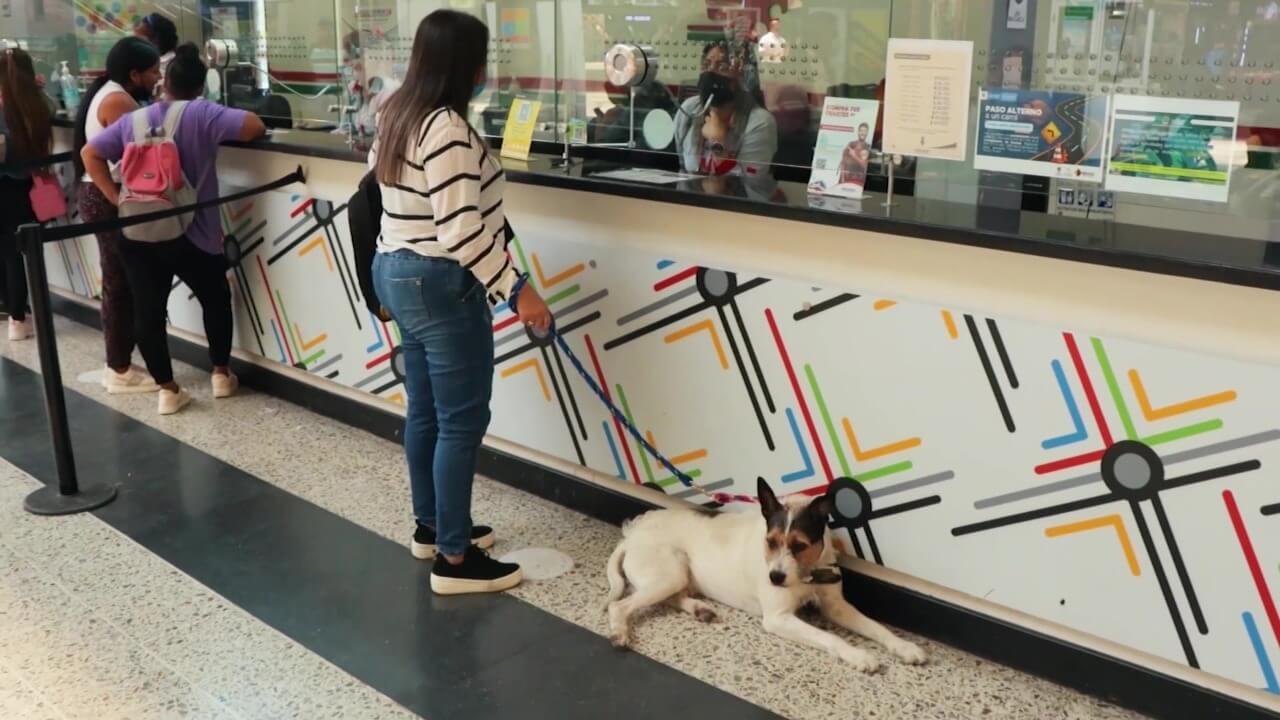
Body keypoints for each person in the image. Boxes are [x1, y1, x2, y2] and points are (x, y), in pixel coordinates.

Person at [370, 9, 552, 595]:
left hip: (397, 272)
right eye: (481, 59)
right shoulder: (444, 128)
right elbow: (460, 231)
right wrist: (519, 290)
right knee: (461, 421)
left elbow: (386, 191)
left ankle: (434, 526)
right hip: (439, 283)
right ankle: (455, 559)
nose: (484, 71)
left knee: (426, 411)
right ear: (464, 65)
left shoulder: (395, 111)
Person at [82, 43, 266, 415]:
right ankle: (220, 373)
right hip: (194, 233)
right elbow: (254, 127)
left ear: (163, 84)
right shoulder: (203, 113)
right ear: (201, 85)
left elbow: (90, 154)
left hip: (140, 230)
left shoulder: (136, 117)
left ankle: (167, 389)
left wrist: (118, 199)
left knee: (148, 310)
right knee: (214, 298)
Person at [74, 36, 162, 393]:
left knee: (118, 280)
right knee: (119, 284)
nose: (158, 76)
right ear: (134, 73)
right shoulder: (119, 102)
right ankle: (119, 369)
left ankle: (120, 361)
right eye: (153, 70)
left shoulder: (111, 93)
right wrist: (116, 197)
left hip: (98, 194)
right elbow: (135, 153)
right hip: (105, 195)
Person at [0, 48, 55, 341]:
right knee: (23, 255)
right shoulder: (39, 104)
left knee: (8, 255)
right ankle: (20, 317)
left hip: (4, 188)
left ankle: (16, 316)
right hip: (29, 189)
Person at [674, 40, 777, 178]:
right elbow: (681, 168)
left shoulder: (760, 122)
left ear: (740, 77)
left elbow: (750, 181)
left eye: (722, 67)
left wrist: (718, 145)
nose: (710, 71)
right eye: (706, 64)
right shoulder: (689, 109)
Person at [134, 11, 178, 98]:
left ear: (157, 40)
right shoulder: (148, 60)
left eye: (140, 40)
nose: (135, 44)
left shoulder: (170, 66)